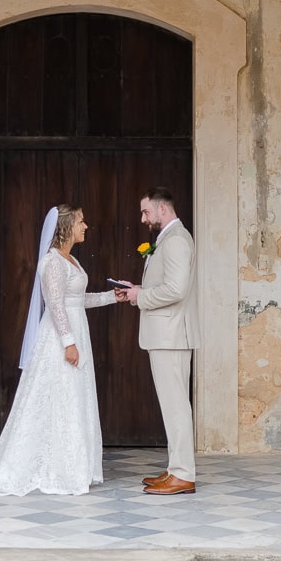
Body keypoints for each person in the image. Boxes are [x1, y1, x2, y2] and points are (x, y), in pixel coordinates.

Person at [0, 204, 123, 496]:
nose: (86, 225)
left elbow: (76, 301)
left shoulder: (72, 261)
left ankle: (71, 465)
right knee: (58, 395)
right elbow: (55, 306)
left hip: (76, 331)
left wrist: (111, 297)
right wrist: (68, 343)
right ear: (66, 226)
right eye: (80, 221)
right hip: (59, 340)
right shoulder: (52, 262)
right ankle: (54, 467)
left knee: (73, 397)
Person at [120, 187, 199, 495]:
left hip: (172, 334)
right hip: (167, 333)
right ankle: (175, 468)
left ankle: (183, 474)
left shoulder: (177, 239)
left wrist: (142, 296)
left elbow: (177, 290)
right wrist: (139, 288)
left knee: (176, 405)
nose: (143, 218)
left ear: (162, 210)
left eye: (146, 212)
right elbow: (167, 284)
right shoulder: (168, 238)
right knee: (172, 405)